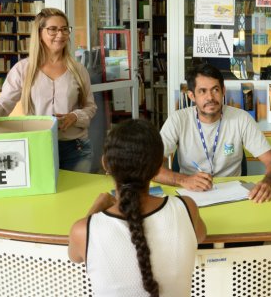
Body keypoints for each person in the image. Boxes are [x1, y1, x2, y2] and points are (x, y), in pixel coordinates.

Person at [68, 119, 206, 297]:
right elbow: (200, 236)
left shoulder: (83, 230)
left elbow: (75, 256)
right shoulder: (187, 208)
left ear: (105, 164)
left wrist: (95, 209)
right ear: (158, 168)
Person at [0, 8, 97, 172]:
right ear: (39, 33)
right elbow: (2, 105)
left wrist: (74, 116)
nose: (61, 34)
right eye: (53, 29)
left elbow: (90, 107)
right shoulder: (23, 69)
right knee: (45, 198)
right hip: (37, 146)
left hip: (76, 148)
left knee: (79, 197)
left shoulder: (78, 69)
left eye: (65, 29)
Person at [155, 63, 271, 203]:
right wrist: (183, 180)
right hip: (190, 195)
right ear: (192, 96)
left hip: (233, 196)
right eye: (202, 91)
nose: (210, 97)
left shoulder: (241, 118)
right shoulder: (177, 120)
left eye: (215, 90)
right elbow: (151, 169)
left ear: (223, 91)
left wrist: (269, 181)